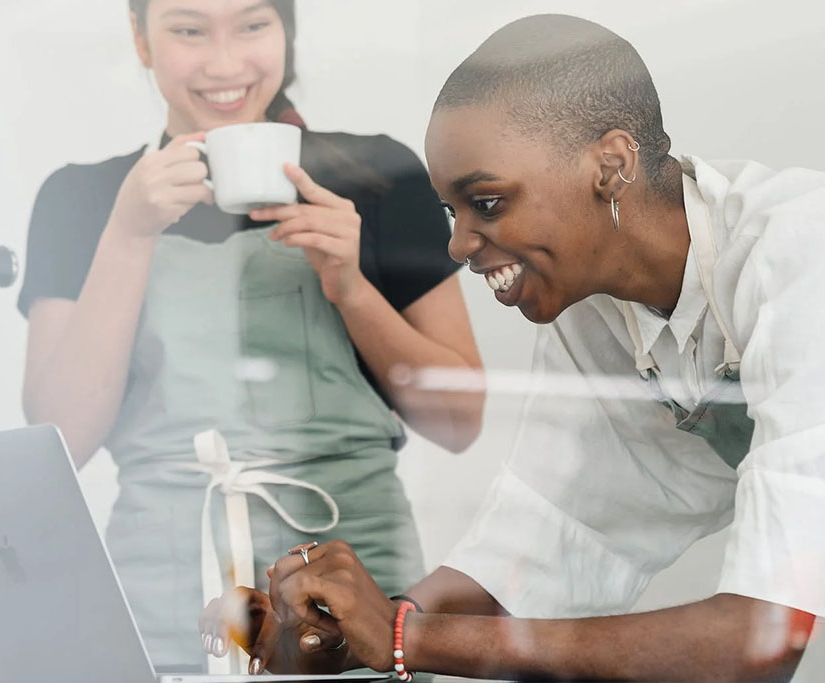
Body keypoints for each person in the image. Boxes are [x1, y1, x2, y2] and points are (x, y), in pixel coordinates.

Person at [200, 13, 825, 681]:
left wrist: (403, 634)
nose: (459, 246)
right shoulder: (593, 311)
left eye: (488, 202)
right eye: (452, 211)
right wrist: (347, 633)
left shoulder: (800, 255)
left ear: (610, 165)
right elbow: (539, 546)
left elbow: (759, 642)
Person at [16, 0, 484, 671]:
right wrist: (127, 231)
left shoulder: (381, 178)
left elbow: (462, 420)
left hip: (358, 611)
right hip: (161, 602)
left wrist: (351, 284)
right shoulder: (81, 200)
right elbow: (61, 439)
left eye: (253, 25)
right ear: (140, 39)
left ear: (286, 32)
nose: (226, 62)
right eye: (188, 30)